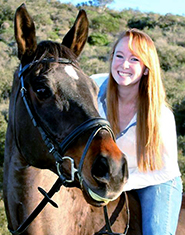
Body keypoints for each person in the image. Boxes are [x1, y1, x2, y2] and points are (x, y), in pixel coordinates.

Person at [91, 28, 182, 235]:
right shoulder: (93, 88)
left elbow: (165, 170)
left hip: (155, 180)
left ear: (146, 68)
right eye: (119, 56)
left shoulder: (161, 115)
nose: (124, 65)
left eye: (134, 59)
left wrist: (119, 186)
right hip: (109, 176)